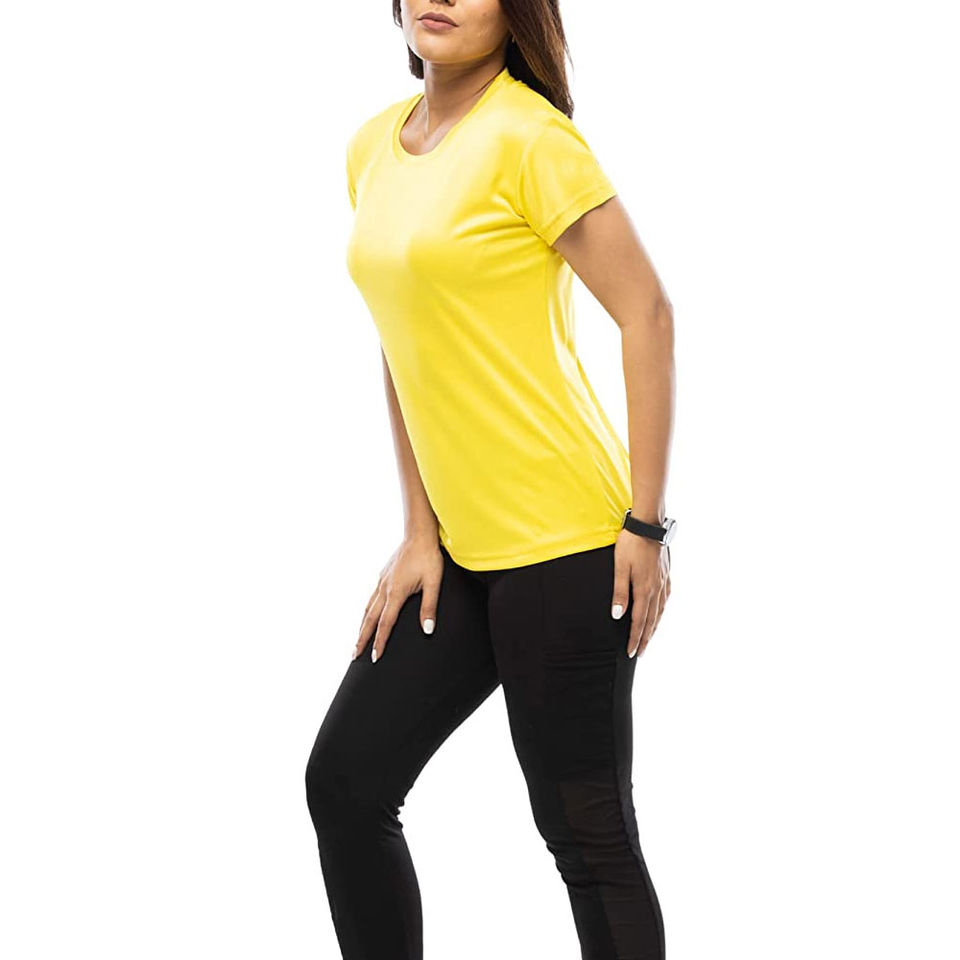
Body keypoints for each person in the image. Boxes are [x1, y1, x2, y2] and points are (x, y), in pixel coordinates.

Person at [305, 2, 675, 957]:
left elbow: (646, 312)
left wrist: (645, 525)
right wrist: (418, 531)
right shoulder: (372, 148)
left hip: (567, 543)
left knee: (587, 839)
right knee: (346, 784)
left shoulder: (531, 140)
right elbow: (405, 336)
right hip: (460, 550)